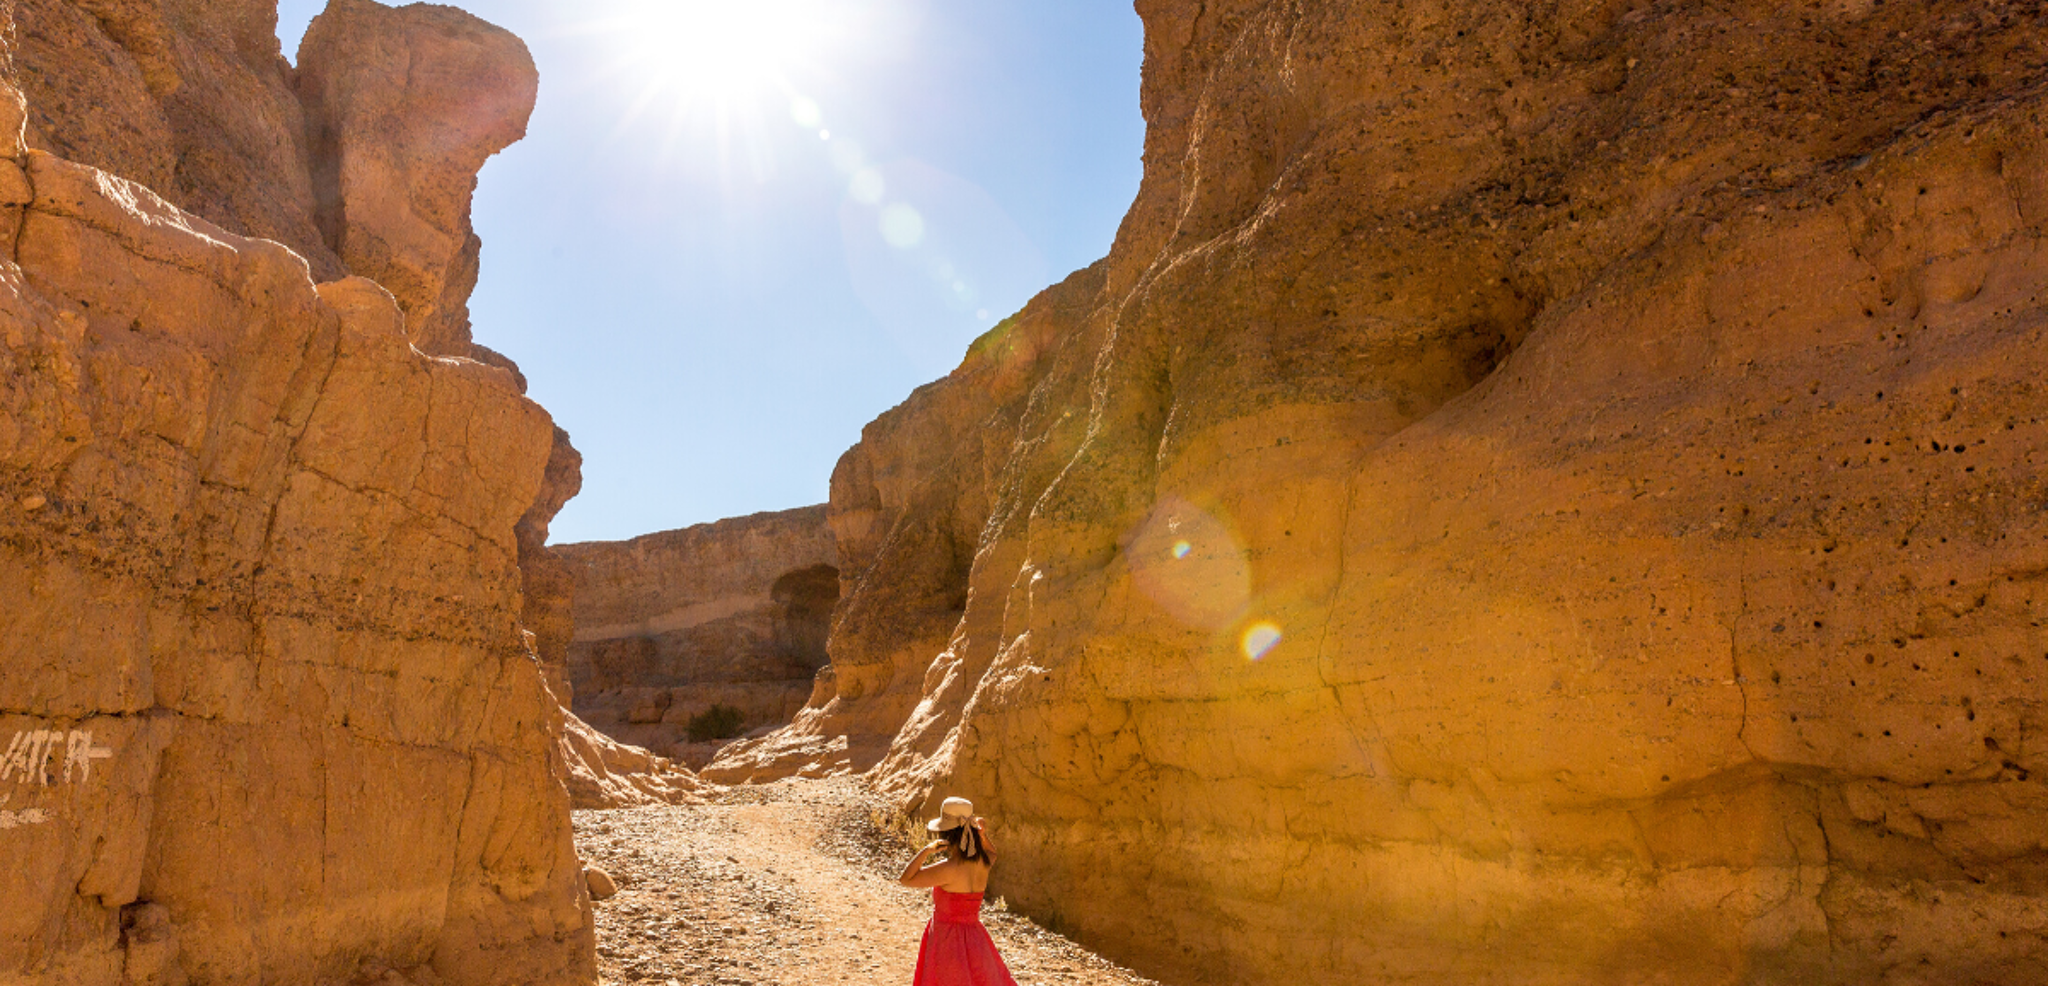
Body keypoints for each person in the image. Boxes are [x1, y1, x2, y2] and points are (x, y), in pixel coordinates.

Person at [897, 796, 1019, 986]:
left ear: (947, 834)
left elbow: (906, 879)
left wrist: (926, 851)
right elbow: (993, 852)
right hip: (975, 937)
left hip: (947, 940)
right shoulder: (983, 862)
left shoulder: (948, 869)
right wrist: (982, 835)